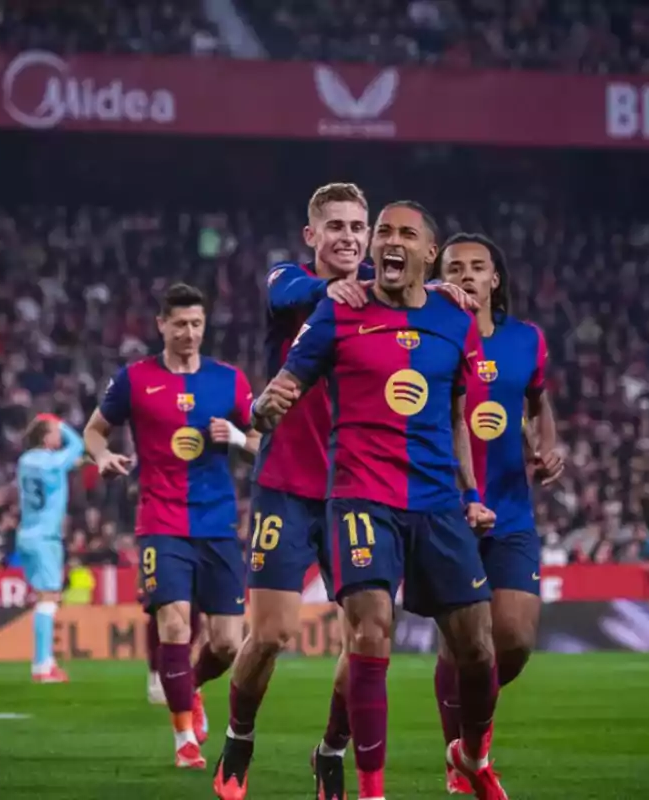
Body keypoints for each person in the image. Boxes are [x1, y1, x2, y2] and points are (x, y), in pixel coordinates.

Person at [252, 201, 509, 800]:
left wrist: (470, 493)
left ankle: (471, 756)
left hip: (439, 502)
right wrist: (271, 402)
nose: (390, 242)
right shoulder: (339, 311)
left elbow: (454, 414)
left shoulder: (455, 318)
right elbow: (290, 378)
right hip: (361, 494)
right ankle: (371, 790)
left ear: (429, 253)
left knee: (477, 647)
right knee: (370, 632)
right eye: (383, 232)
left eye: (405, 234)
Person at [214, 181, 374, 800]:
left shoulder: (384, 301)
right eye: (335, 226)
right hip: (286, 484)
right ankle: (239, 736)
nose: (348, 237)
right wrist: (333, 290)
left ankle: (331, 750)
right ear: (312, 236)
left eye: (358, 227)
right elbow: (290, 289)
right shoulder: (291, 285)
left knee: (366, 636)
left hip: (358, 488)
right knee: (272, 634)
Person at [84, 282, 256, 770]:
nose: (189, 333)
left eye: (196, 324)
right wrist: (103, 456)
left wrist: (240, 436)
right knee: (174, 622)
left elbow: (266, 442)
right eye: (179, 324)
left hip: (219, 522)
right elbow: (94, 429)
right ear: (161, 325)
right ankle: (184, 739)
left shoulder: (229, 381)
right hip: (160, 518)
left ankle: (192, 686)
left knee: (226, 642)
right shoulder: (135, 379)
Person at [432, 232, 563, 794]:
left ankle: (468, 739)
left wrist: (548, 444)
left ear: (494, 279)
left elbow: (538, 403)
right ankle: (466, 764)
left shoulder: (526, 341)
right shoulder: (429, 339)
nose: (465, 274)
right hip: (448, 509)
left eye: (476, 266)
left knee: (513, 640)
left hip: (511, 510)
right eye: (453, 266)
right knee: (463, 643)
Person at [15, 414, 86, 683]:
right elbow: (77, 445)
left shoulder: (25, 461)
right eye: (55, 432)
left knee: (45, 597)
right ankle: (42, 666)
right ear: (47, 437)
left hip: (27, 534)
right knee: (48, 599)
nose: (60, 436)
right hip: (46, 537)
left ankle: (47, 662)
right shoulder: (53, 462)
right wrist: (62, 424)